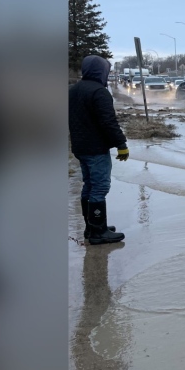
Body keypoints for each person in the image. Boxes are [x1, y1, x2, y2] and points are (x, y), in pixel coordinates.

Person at [69, 55, 128, 245]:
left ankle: (92, 227)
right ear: (100, 71)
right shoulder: (99, 92)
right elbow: (108, 122)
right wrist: (121, 144)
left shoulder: (73, 90)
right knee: (100, 187)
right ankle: (98, 232)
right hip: (95, 148)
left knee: (89, 185)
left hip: (80, 147)